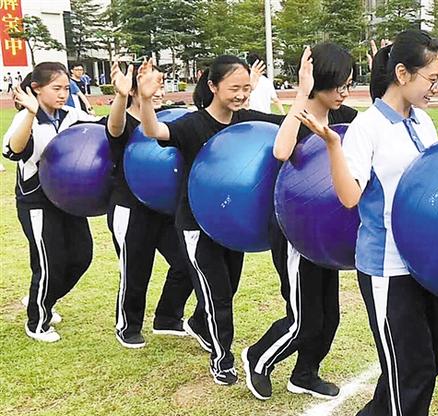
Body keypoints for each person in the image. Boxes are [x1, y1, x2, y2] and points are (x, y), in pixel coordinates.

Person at [297, 30, 438, 416]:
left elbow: (431, 182)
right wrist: (333, 145)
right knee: (410, 368)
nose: (436, 87)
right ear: (402, 73)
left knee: (433, 359)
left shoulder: (422, 120)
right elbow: (349, 197)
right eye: (431, 78)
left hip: (429, 264)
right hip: (388, 266)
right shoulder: (368, 127)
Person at [138, 56, 284, 385]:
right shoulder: (193, 125)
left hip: (232, 226)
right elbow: (154, 130)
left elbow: (289, 125)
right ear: (213, 86)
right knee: (216, 296)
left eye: (246, 88)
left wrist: (306, 95)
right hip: (197, 225)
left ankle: (198, 324)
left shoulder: (248, 121)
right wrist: (145, 100)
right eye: (234, 88)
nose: (241, 95)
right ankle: (222, 359)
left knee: (228, 289)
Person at [241, 43, 358, 401]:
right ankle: (258, 357)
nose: (343, 93)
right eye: (337, 84)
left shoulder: (347, 118)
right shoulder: (297, 119)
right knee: (303, 318)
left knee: (329, 316)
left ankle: (305, 374)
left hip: (327, 234)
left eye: (349, 84)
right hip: (295, 233)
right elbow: (281, 151)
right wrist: (301, 95)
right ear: (317, 81)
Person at [2, 62, 104, 343]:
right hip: (36, 202)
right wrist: (30, 113)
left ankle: (42, 298)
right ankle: (37, 322)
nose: (62, 94)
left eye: (66, 89)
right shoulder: (26, 119)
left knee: (82, 256)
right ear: (36, 88)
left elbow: (105, 127)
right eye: (56, 88)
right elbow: (13, 151)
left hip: (70, 200)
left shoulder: (72, 115)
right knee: (50, 262)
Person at [105, 61, 195, 349]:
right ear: (134, 89)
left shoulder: (166, 120)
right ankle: (128, 325)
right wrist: (121, 96)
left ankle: (167, 317)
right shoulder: (124, 120)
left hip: (165, 210)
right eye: (151, 84)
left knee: (187, 262)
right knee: (136, 270)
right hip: (131, 209)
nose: (158, 91)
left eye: (160, 84)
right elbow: (115, 127)